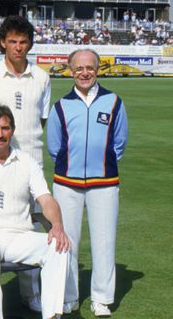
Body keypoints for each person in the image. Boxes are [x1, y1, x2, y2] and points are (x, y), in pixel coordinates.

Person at [0, 104, 71, 319]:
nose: (0, 134)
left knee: (60, 245)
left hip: (21, 235)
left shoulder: (27, 162)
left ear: (13, 130)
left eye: (5, 128)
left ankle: (52, 315)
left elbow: (46, 199)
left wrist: (57, 226)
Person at [0, 15, 51, 312]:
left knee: (30, 228)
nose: (18, 47)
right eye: (12, 41)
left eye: (24, 42)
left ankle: (31, 293)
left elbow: (40, 120)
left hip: (32, 164)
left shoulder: (42, 77)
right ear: (3, 42)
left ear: (30, 43)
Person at [47, 49, 128, 317]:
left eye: (90, 68)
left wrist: (101, 164)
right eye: (79, 68)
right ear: (71, 71)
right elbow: (54, 147)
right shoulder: (60, 105)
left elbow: (120, 143)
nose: (84, 73)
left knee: (104, 242)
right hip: (66, 183)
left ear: (97, 69)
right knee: (66, 242)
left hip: (104, 183)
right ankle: (68, 296)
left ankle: (101, 299)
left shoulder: (114, 102)